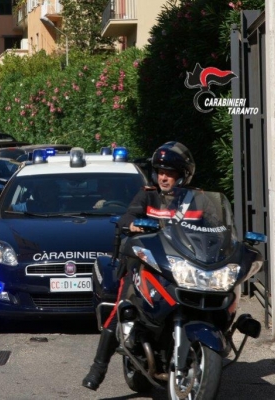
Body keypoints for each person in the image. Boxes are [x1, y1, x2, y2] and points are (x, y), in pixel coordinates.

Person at [82, 141, 196, 391]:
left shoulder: (193, 200)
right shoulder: (148, 194)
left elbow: (211, 225)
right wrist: (132, 225)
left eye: (170, 173)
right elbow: (128, 216)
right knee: (121, 307)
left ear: (183, 175)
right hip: (144, 263)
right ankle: (98, 368)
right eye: (161, 172)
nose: (164, 178)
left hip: (179, 264)